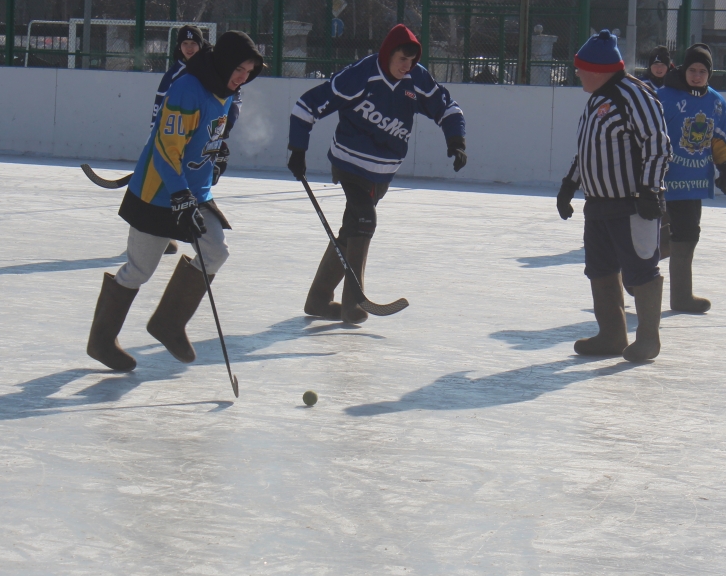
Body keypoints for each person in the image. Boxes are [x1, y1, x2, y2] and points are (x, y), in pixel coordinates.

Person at [86, 30, 264, 372]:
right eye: (239, 68)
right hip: (157, 193)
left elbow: (209, 133)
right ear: (225, 63)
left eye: (249, 71)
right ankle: (101, 341)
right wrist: (179, 196)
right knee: (140, 269)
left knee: (216, 251)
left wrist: (218, 152)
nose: (243, 77)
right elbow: (167, 149)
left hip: (195, 193)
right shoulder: (186, 89)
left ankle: (168, 323)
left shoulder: (225, 90)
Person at [286, 23, 467, 324]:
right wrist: (297, 149)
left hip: (383, 173)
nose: (406, 67)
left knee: (352, 230)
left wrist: (456, 141)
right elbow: (308, 105)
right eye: (401, 60)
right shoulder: (361, 75)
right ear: (387, 54)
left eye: (411, 61)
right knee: (365, 220)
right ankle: (353, 303)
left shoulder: (416, 79)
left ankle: (318, 300)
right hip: (349, 165)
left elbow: (447, 108)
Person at [556, 29, 671, 361]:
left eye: (580, 68)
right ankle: (611, 334)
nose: (576, 73)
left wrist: (649, 189)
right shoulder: (596, 100)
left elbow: (657, 145)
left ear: (597, 69)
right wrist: (570, 184)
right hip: (598, 205)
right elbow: (588, 150)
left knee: (641, 270)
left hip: (633, 204)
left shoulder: (634, 95)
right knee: (601, 270)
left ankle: (648, 338)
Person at [653, 43, 726, 313]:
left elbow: (720, 140)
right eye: (693, 70)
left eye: (703, 71)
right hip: (661, 181)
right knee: (652, 233)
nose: (697, 75)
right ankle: (636, 274)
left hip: (693, 182)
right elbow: (648, 136)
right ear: (684, 70)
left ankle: (681, 297)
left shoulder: (715, 102)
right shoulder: (664, 97)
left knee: (687, 234)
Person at [150, 26, 240, 256]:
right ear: (178, 47)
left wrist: (221, 139)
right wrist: (155, 142)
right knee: (170, 187)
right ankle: (163, 234)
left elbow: (229, 105)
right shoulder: (174, 75)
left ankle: (181, 234)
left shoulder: (212, 68)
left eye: (194, 44)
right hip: (177, 144)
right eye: (184, 44)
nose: (189, 48)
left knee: (194, 188)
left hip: (203, 142)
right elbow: (159, 112)